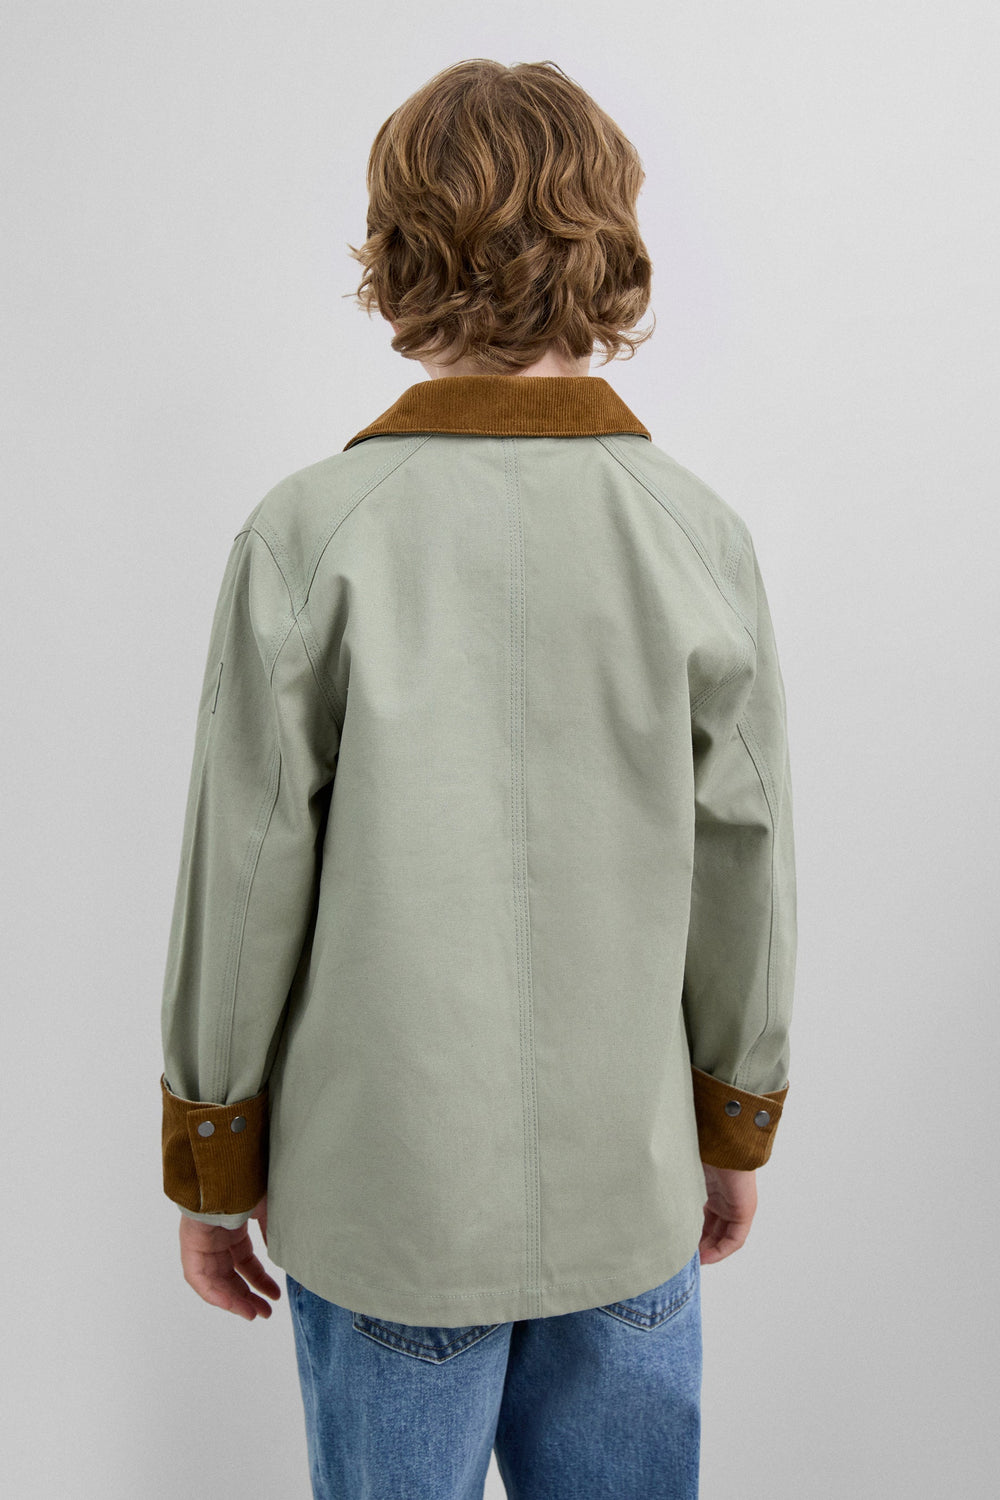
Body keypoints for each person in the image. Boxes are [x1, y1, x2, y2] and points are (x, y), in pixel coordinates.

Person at [159, 57, 797, 1500]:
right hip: (628, 1184)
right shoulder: (697, 536)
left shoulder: (311, 534)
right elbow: (747, 860)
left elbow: (243, 875)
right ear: (608, 240)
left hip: (385, 1201)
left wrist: (213, 1152)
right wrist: (733, 1123)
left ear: (398, 251)